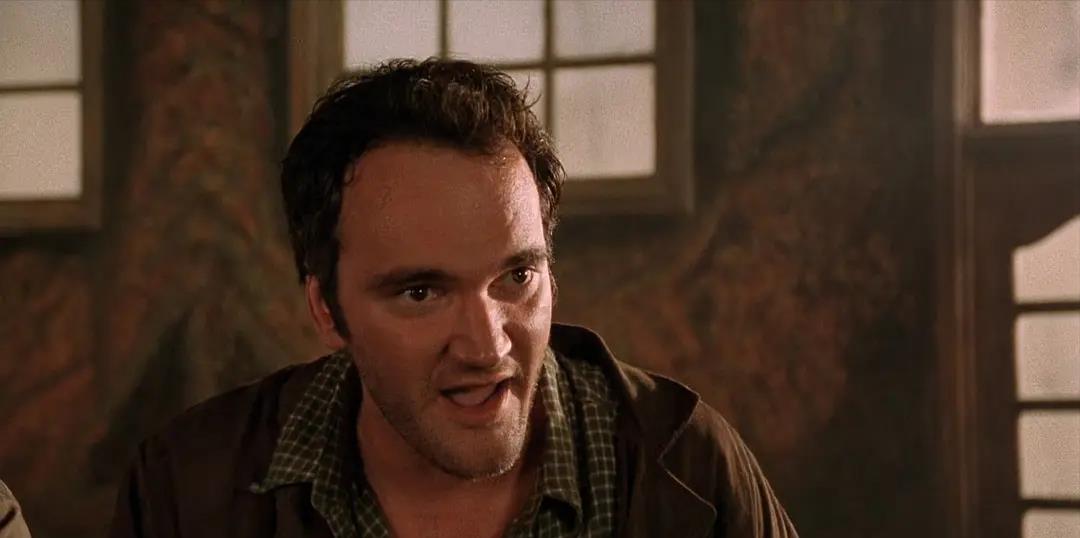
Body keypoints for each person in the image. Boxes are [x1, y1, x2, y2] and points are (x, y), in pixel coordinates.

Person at [110, 58, 797, 538]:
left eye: (516, 278)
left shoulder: (686, 470)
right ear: (327, 310)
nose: (487, 346)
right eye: (421, 292)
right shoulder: (188, 489)